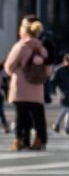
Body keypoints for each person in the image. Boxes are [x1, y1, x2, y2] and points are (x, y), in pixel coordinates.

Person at [5, 18, 45, 152]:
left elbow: (9, 66)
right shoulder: (41, 48)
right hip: (37, 87)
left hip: (21, 87)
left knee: (21, 116)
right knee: (37, 115)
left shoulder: (21, 46)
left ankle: (20, 140)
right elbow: (48, 67)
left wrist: (13, 71)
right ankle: (39, 140)